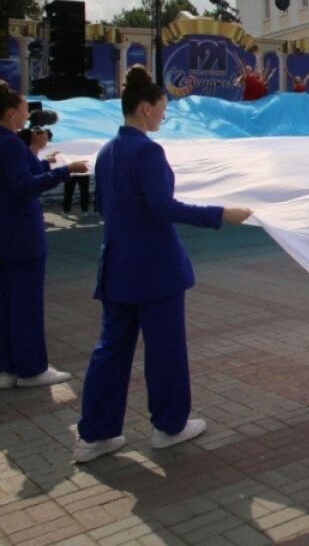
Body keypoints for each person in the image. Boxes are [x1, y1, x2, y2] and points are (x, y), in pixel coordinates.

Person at [73, 66, 253, 463]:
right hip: (154, 269)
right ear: (144, 108)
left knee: (111, 351)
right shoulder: (147, 151)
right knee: (165, 349)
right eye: (161, 109)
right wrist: (220, 213)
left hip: (117, 266)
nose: (164, 116)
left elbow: (106, 206)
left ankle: (95, 434)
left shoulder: (107, 152)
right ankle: (169, 426)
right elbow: (163, 207)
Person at [1, 81, 88, 390]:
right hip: (21, 235)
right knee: (26, 305)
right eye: (25, 109)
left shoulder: (9, 143)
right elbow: (24, 186)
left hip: (6, 235)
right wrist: (65, 171)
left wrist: (39, 156)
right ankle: (32, 369)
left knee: (7, 304)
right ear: (11, 113)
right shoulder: (10, 144)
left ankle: (9, 367)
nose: (28, 115)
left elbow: (18, 177)